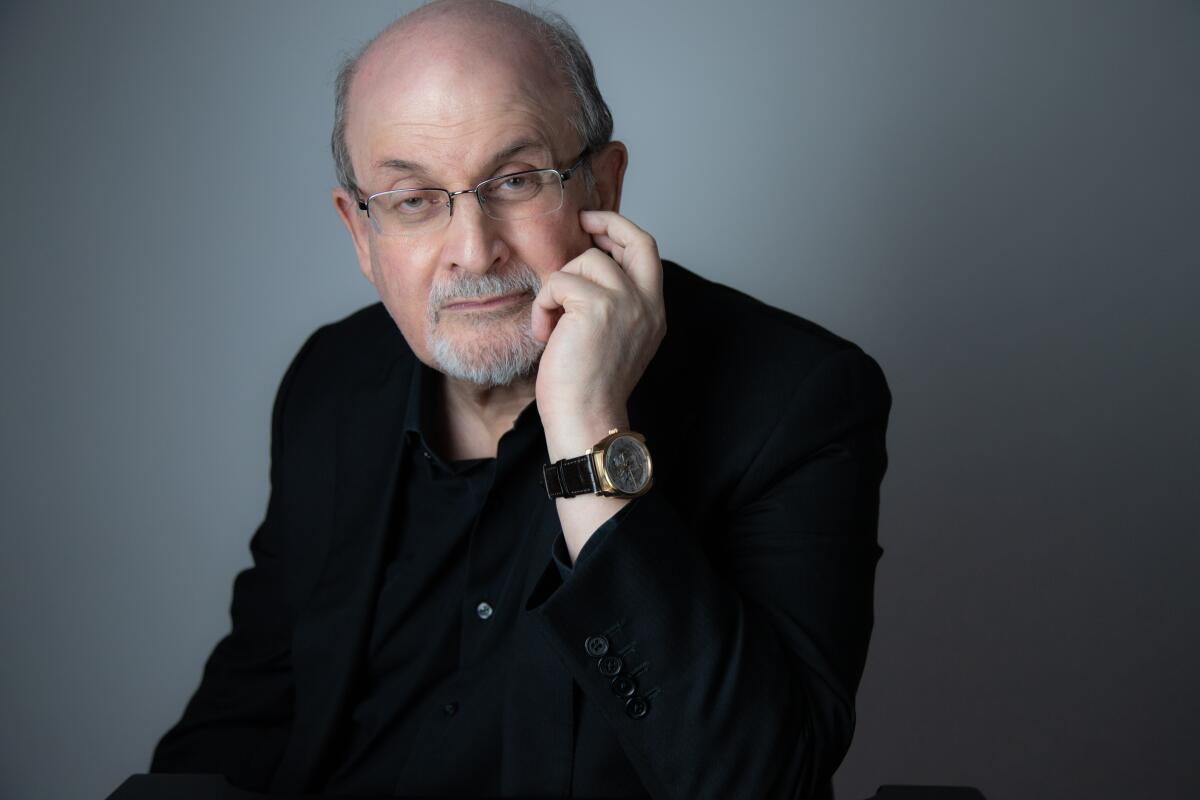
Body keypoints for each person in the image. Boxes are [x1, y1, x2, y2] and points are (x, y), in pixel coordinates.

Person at [151, 1, 891, 798]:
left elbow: (757, 781)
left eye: (514, 180)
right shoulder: (332, 383)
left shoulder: (795, 398)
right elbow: (243, 717)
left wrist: (588, 436)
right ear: (360, 235)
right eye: (413, 200)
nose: (473, 250)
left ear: (602, 184)